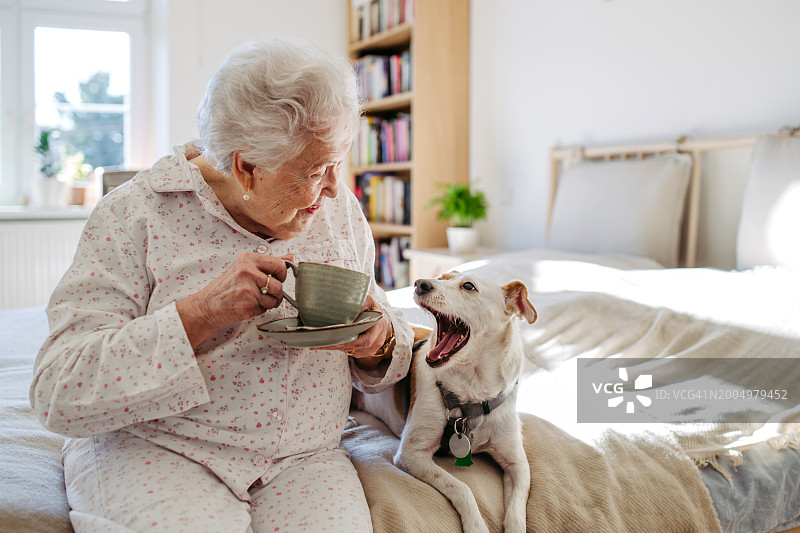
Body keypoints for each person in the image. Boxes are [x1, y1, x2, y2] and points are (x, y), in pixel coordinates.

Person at [30, 37, 413, 533]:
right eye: (317, 170)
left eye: (337, 162)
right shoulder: (133, 215)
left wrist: (377, 343)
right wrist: (202, 312)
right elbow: (59, 388)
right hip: (160, 449)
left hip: (304, 459)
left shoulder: (338, 211)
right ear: (246, 168)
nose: (335, 189)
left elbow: (384, 329)